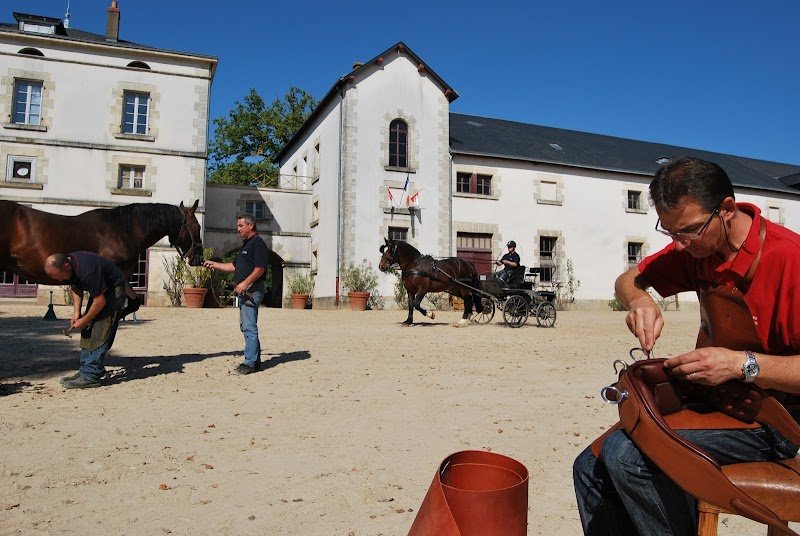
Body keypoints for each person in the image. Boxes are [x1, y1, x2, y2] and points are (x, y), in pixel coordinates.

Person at [573, 156, 800, 535]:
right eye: (670, 231)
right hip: (715, 402)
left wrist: (741, 364)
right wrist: (640, 300)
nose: (679, 244)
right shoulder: (698, 247)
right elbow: (628, 279)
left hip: (775, 419)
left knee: (626, 457)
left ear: (726, 209)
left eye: (689, 231)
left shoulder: (789, 260)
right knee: (589, 467)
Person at [44, 251, 129, 389]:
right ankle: (86, 369)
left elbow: (100, 301)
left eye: (60, 277)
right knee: (88, 328)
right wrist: (77, 313)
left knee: (101, 330)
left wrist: (84, 320)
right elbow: (75, 287)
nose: (60, 280)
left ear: (66, 266)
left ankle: (91, 375)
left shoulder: (88, 271)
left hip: (114, 291)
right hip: (101, 293)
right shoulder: (70, 266)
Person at [204, 213, 269, 375]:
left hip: (251, 291)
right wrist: (214, 264)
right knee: (246, 326)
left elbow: (260, 268)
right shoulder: (246, 245)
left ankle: (250, 363)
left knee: (249, 327)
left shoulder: (257, 243)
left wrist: (245, 284)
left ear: (250, 225)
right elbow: (234, 266)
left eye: (240, 225)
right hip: (245, 291)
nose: (237, 229)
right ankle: (256, 360)